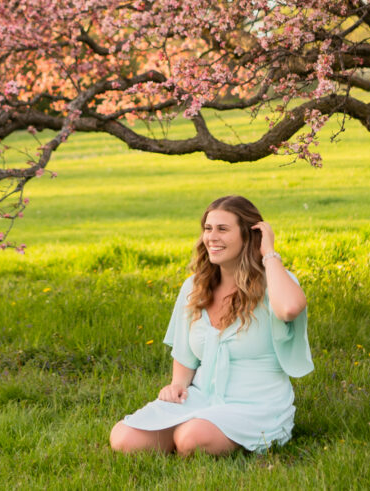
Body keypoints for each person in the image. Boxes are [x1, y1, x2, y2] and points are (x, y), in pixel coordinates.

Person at [110, 195, 313, 456]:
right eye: (208, 229)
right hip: (201, 397)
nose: (211, 237)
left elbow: (290, 308)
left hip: (256, 405)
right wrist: (177, 386)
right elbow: (185, 353)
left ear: (248, 236)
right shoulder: (194, 287)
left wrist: (269, 254)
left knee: (191, 439)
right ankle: (186, 432)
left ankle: (191, 435)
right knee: (124, 438)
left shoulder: (276, 283)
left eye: (223, 229)